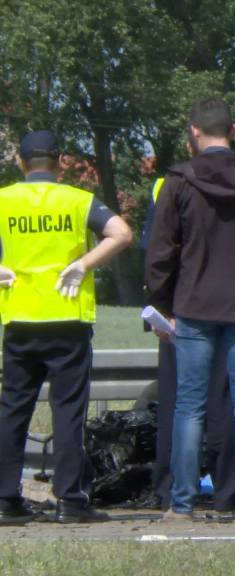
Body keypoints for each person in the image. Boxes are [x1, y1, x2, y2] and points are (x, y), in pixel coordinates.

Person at [145, 98, 235, 521]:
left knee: (189, 405)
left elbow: (161, 251)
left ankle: (182, 503)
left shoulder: (179, 181)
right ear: (234, 129)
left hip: (193, 304)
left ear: (194, 132)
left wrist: (160, 302)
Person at [0, 129, 133, 523]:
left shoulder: (4, 200)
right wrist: (84, 264)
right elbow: (122, 233)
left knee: (13, 410)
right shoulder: (78, 200)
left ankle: (6, 499)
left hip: (20, 320)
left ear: (21, 163)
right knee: (68, 411)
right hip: (68, 319)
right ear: (60, 162)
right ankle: (71, 500)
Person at [141, 177, 235, 513]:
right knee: (225, 404)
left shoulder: (167, 186)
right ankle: (229, 491)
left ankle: (172, 491)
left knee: (179, 405)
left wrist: (158, 310)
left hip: (183, 310)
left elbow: (156, 251)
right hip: (231, 307)